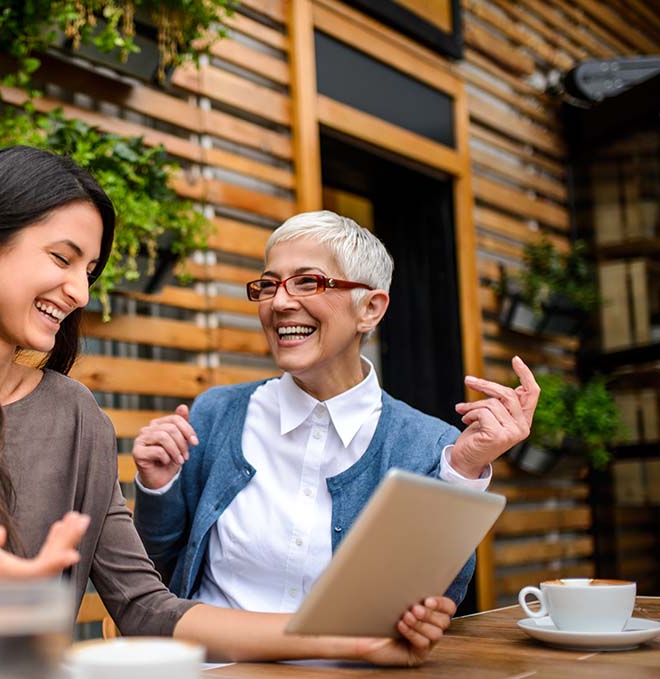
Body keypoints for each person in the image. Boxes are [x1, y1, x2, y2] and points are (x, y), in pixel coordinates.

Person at [0, 149, 456, 668]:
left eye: (90, 271)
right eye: (62, 258)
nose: (78, 291)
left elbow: (148, 608)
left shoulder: (76, 417)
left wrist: (357, 640)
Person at [132, 210, 539, 612]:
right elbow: (158, 574)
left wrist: (462, 472)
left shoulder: (431, 446)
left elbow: (431, 604)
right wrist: (158, 487)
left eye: (307, 282)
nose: (280, 302)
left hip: (347, 676)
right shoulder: (216, 414)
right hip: (217, 670)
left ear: (371, 309)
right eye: (269, 285)